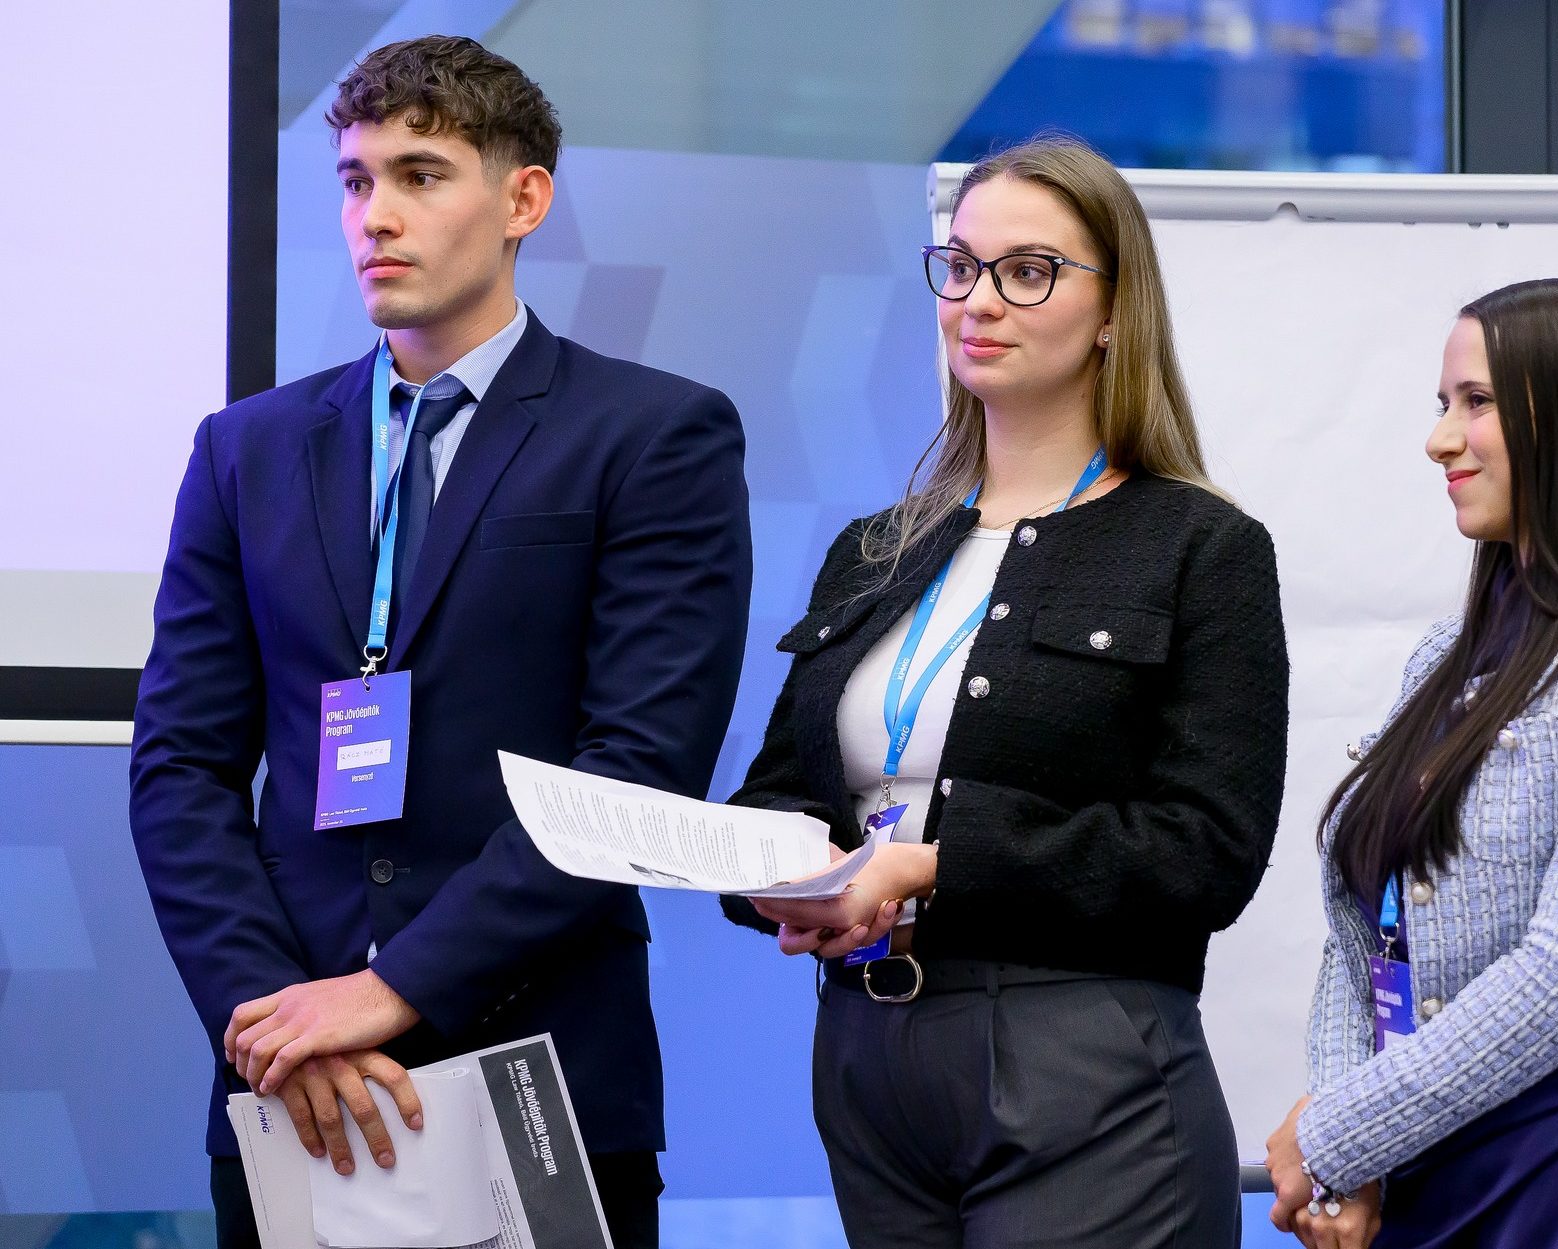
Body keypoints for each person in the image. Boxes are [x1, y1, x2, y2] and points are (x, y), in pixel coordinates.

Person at [128, 35, 750, 1248]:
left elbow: (635, 770)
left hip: (542, 1068)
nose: (376, 215)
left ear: (524, 199)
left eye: (420, 176)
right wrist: (277, 1014)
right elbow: (180, 765)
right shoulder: (246, 448)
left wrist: (391, 989)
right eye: (357, 180)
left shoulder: (652, 434)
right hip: (290, 1090)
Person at [719, 135, 1288, 1248]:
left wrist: (933, 863)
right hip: (868, 1053)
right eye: (962, 266)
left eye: (1029, 272)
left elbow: (1206, 850)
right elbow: (781, 786)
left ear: (1114, 311)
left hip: (1081, 1058)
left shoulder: (1199, 546)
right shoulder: (874, 548)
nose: (979, 300)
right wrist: (786, 877)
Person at [1265, 278, 1558, 1249]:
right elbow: (1360, 938)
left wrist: (1336, 1135)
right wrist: (1352, 1162)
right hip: (1421, 1168)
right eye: (1443, 403)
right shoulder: (1444, 654)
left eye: (1474, 402)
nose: (1439, 440)